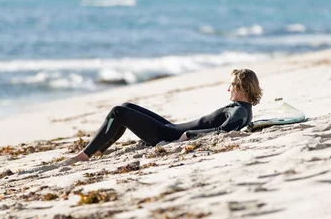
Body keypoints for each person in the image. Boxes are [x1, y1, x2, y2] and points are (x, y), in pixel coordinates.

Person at [62, 69, 262, 165]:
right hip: (170, 128)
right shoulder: (241, 108)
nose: (228, 88)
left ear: (240, 87)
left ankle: (84, 155)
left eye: (231, 84)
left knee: (118, 112)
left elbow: (224, 132)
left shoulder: (240, 111)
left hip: (166, 136)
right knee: (126, 106)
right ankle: (99, 149)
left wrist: (190, 135)